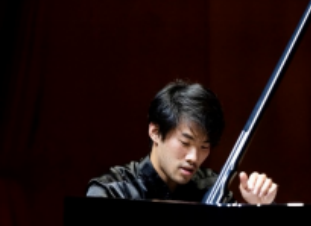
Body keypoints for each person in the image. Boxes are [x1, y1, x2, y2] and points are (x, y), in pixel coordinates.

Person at [86, 80, 277, 204]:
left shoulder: (212, 187)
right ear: (155, 132)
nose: (194, 157)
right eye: (185, 143)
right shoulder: (112, 191)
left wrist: (259, 208)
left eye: (204, 146)